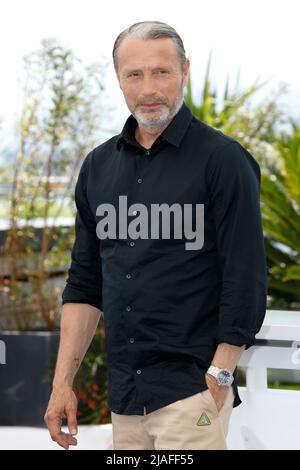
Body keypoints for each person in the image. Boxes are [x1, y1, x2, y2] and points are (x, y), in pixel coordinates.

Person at [44, 20, 267, 450]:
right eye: (134, 74)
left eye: (161, 72)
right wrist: (61, 385)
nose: (148, 88)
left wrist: (219, 377)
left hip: (192, 395)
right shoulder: (97, 168)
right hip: (126, 398)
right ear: (119, 80)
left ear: (184, 71)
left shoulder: (223, 161)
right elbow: (84, 284)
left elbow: (247, 279)